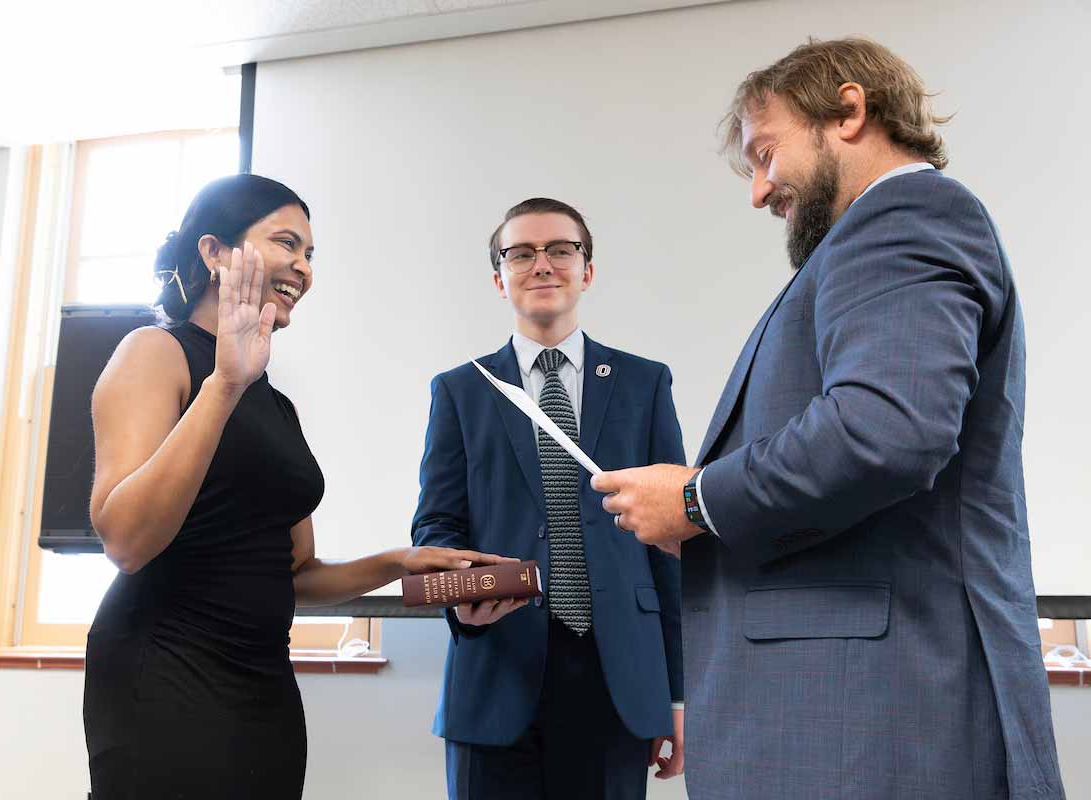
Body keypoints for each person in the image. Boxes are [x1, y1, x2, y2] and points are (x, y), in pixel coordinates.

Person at [593, 38, 1065, 799]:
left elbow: (887, 432)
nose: (759, 190)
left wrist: (694, 501)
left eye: (765, 151)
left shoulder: (906, 216)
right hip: (854, 717)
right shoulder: (882, 234)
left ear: (847, 112)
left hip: (872, 720)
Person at [82, 173, 506, 799]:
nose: (303, 268)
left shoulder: (278, 407)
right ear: (214, 253)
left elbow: (296, 573)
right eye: (286, 243)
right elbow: (126, 539)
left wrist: (396, 562)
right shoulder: (154, 353)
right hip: (163, 669)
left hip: (261, 681)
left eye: (310, 254)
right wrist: (223, 384)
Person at [411, 198, 685, 799]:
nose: (542, 265)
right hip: (497, 669)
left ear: (586, 270)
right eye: (522, 253)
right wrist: (460, 596)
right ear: (498, 277)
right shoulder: (461, 390)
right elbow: (437, 524)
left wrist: (678, 693)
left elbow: (670, 543)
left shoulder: (645, 384)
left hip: (617, 676)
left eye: (561, 250)